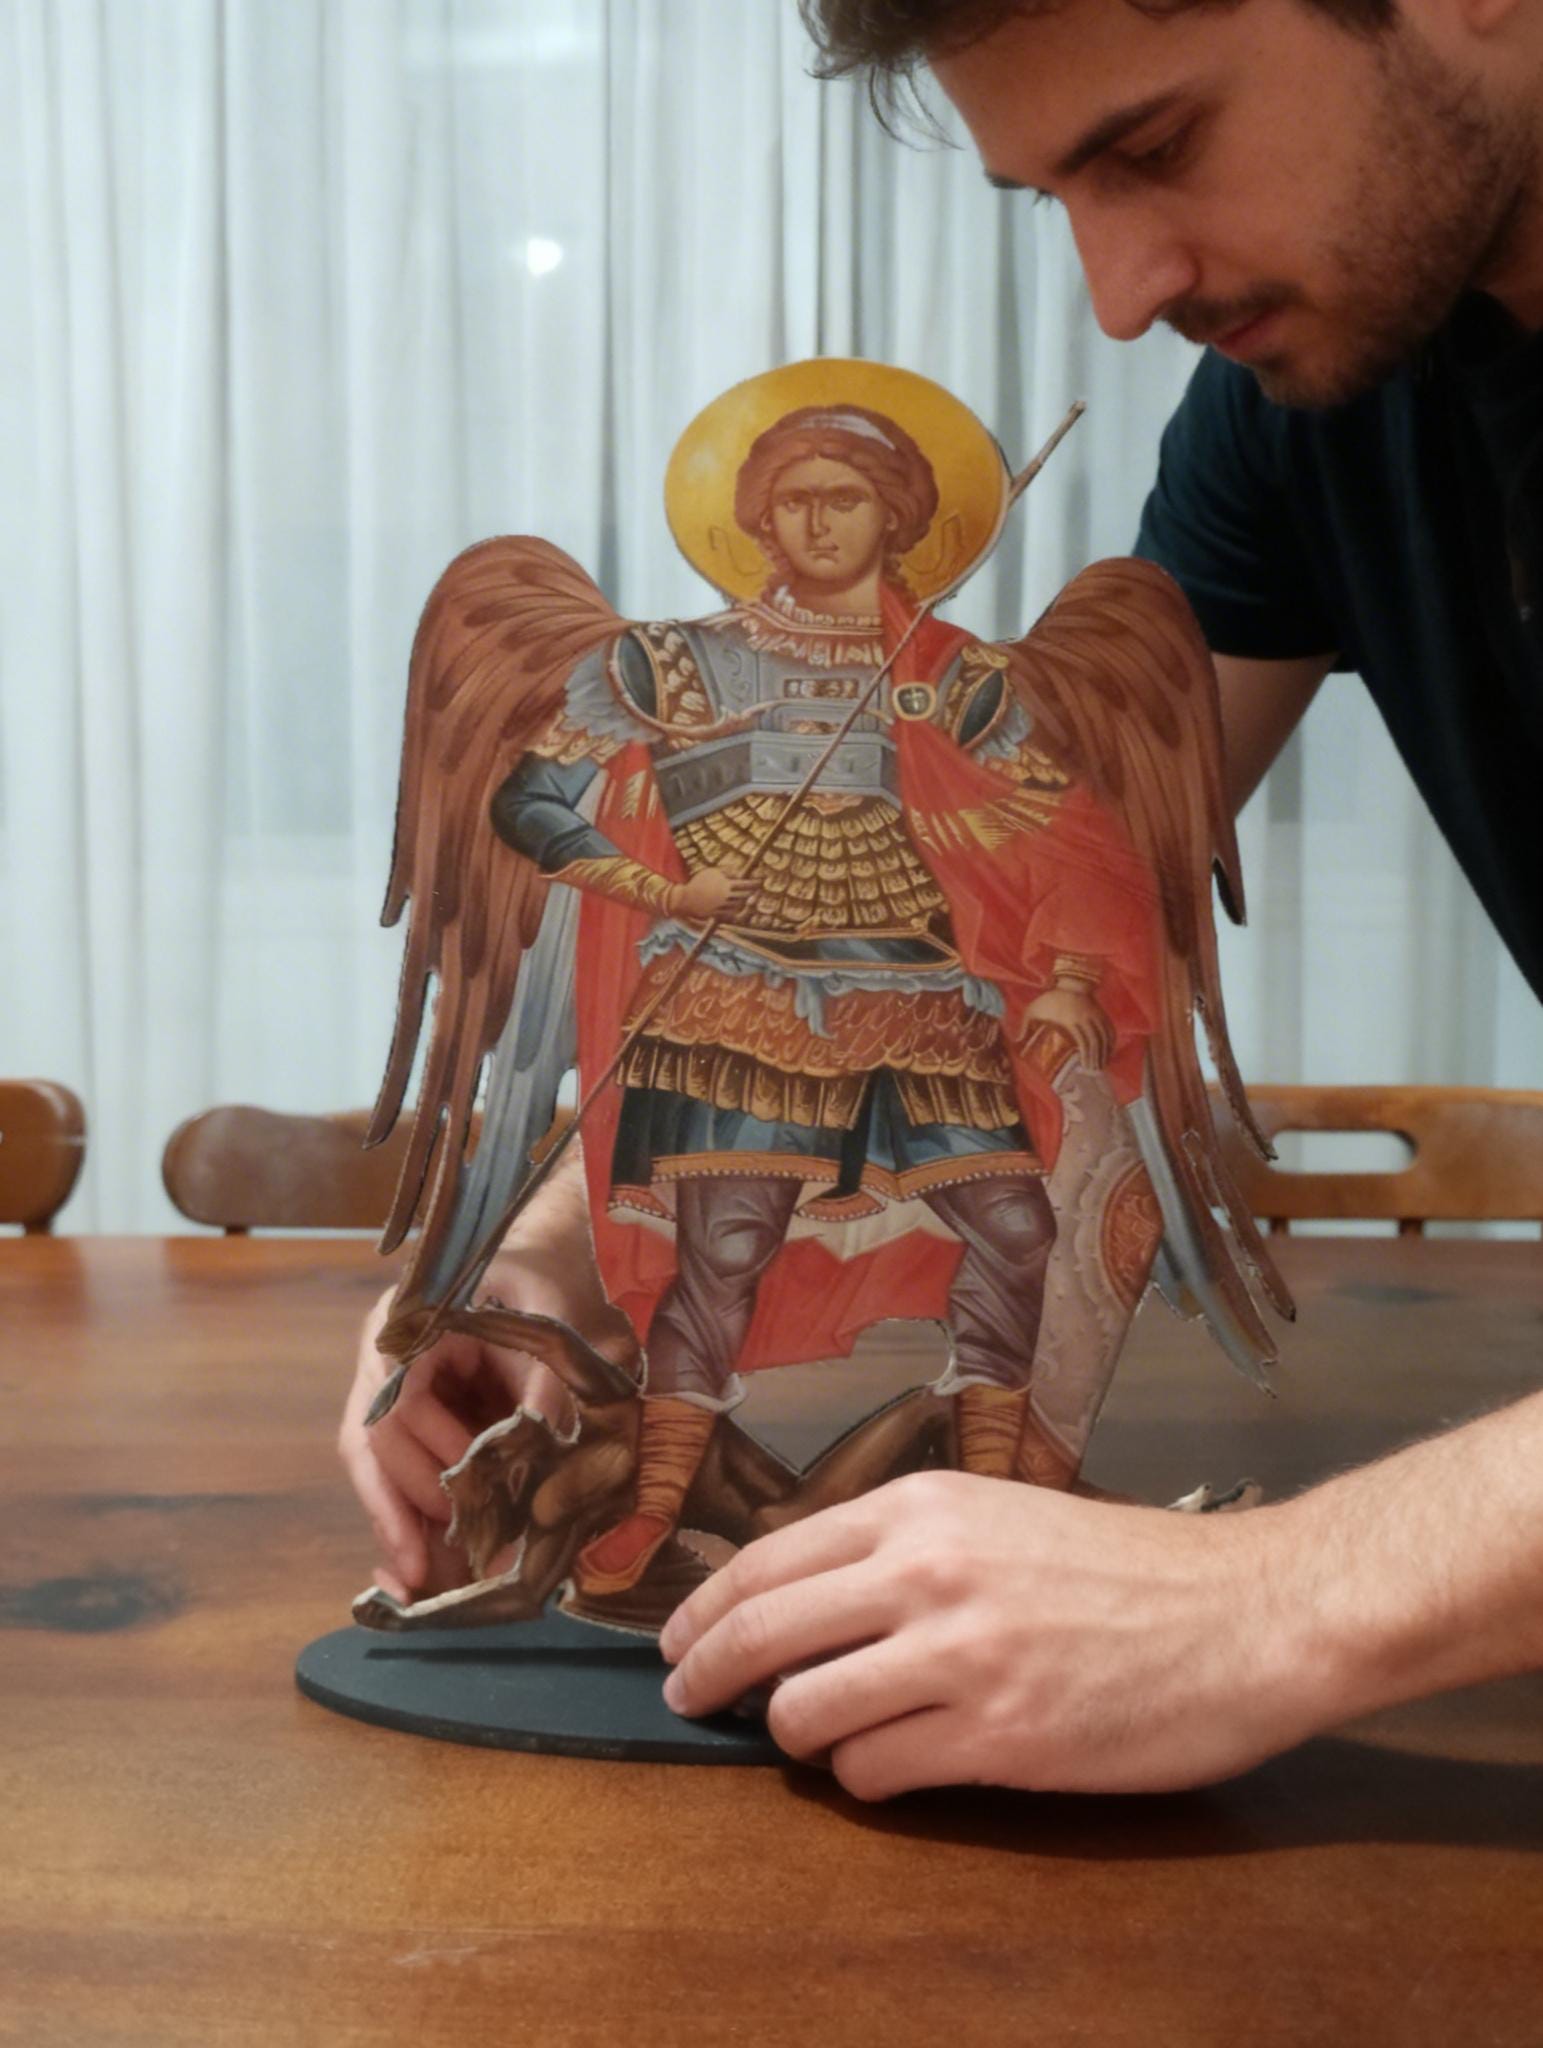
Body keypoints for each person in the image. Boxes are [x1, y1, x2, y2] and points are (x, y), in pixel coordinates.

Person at [341, 0, 1543, 1797]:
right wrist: (563, 1244)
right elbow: (1060, 881)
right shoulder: (1310, 404)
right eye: (1057, 195)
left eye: (1157, 145)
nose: (1119, 294)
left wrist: (1265, 1601)